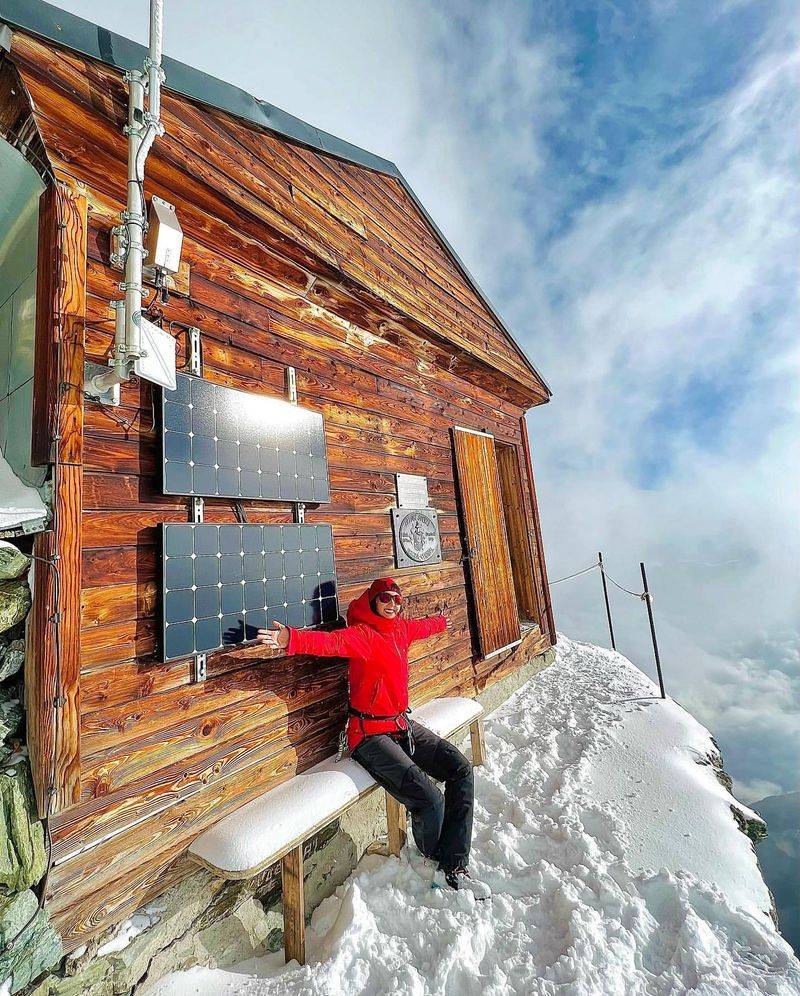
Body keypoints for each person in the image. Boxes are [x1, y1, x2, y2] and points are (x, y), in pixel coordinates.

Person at [257, 577, 490, 899]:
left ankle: (455, 862)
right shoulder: (362, 635)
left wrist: (441, 621)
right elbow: (329, 643)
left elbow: (422, 627)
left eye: (397, 599)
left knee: (460, 769)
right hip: (368, 734)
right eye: (385, 599)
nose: (392, 605)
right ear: (372, 601)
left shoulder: (402, 630)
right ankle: (433, 861)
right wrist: (290, 639)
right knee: (429, 798)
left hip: (401, 725)